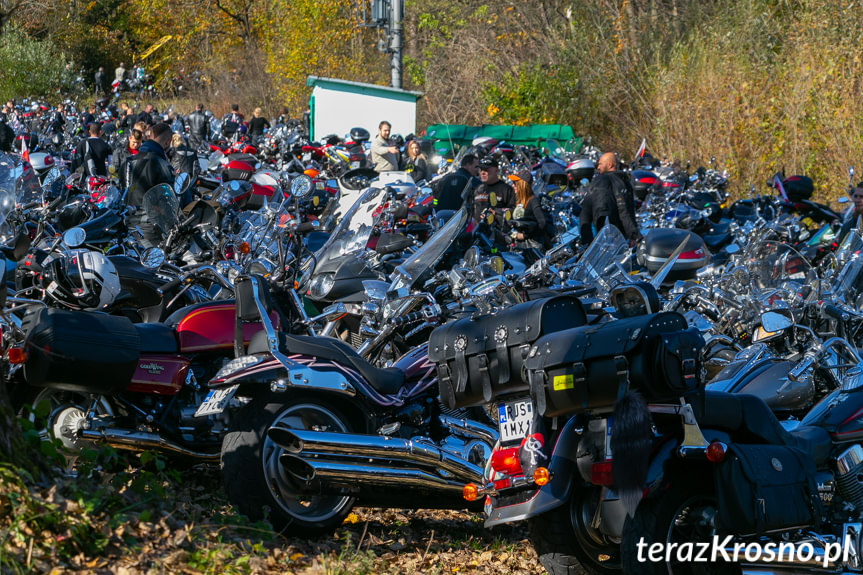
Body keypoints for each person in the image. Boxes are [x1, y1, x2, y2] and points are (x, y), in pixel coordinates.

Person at [125, 123, 175, 247]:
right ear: (168, 142)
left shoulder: (128, 161)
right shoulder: (160, 164)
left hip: (126, 223)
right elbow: (170, 198)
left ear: (148, 136)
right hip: (150, 226)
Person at [579, 152, 641, 246]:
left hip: (607, 240)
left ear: (610, 164)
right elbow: (626, 212)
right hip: (617, 238)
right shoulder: (624, 181)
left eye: (600, 164)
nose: (598, 167)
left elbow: (586, 215)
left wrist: (587, 244)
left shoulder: (600, 181)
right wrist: (635, 236)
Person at [467, 155, 516, 224]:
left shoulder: (506, 189)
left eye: (486, 170)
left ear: (496, 170)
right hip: (478, 231)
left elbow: (513, 212)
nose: (482, 173)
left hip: (497, 231)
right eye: (481, 169)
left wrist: (497, 213)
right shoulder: (478, 189)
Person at [508, 171, 547, 250]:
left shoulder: (533, 200)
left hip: (532, 248)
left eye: (515, 183)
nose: (512, 185)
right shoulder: (517, 200)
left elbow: (542, 223)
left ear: (523, 185)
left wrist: (524, 235)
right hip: (519, 246)